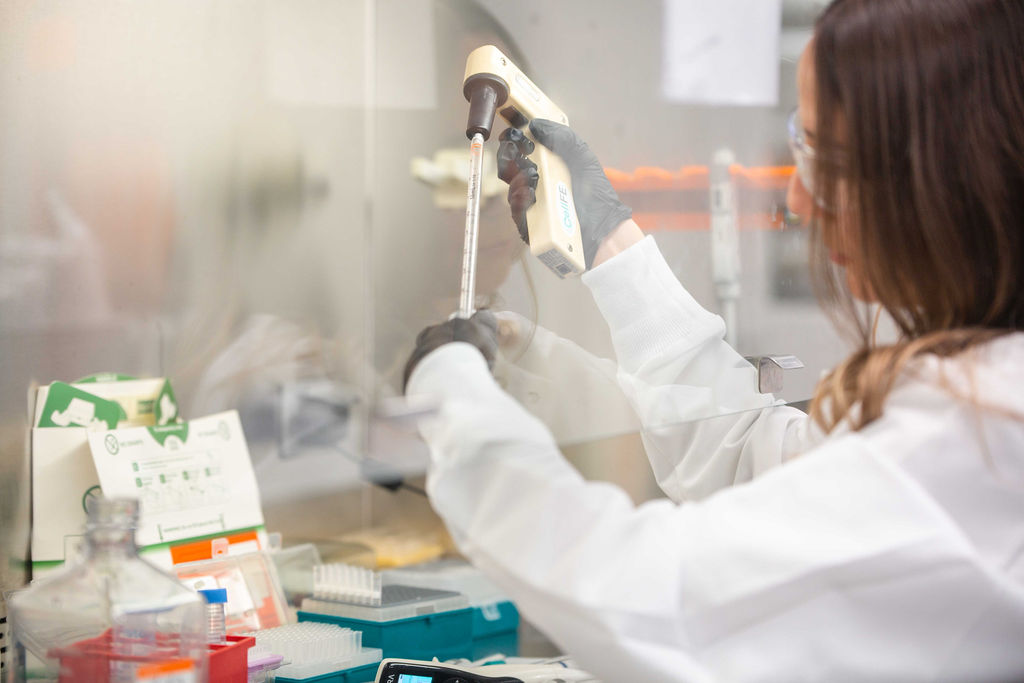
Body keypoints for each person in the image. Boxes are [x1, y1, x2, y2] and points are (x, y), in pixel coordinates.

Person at [402, 0, 1024, 680]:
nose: (802, 203)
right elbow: (761, 459)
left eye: (832, 162)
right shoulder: (976, 392)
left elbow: (646, 595)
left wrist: (448, 393)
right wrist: (607, 242)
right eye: (801, 146)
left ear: (950, 175)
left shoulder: (983, 437)